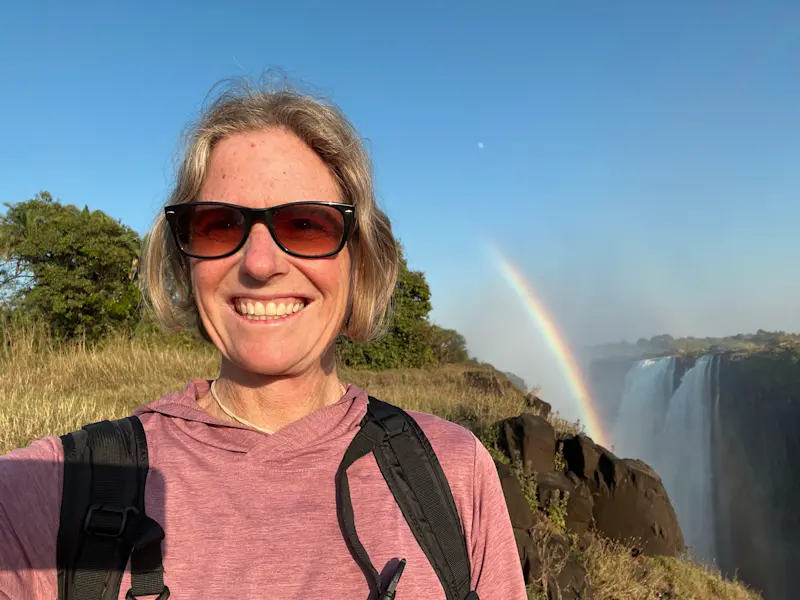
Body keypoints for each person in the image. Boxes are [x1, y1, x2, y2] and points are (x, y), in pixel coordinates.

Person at [0, 77, 527, 600]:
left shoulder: (451, 472)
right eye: (218, 225)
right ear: (185, 261)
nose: (258, 263)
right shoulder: (56, 489)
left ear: (359, 259)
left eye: (305, 225)